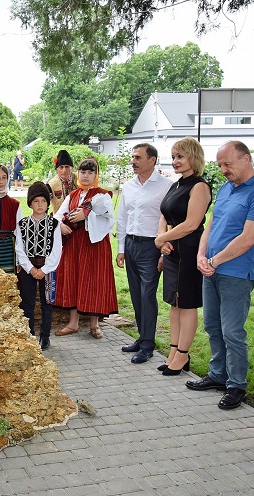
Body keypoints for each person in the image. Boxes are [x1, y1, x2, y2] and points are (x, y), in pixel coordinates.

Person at [187, 141, 254, 409]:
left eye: (228, 164)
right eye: (220, 165)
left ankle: (236, 385)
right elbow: (210, 224)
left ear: (246, 159)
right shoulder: (227, 187)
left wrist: (214, 260)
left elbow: (249, 238)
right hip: (211, 268)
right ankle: (218, 375)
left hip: (236, 272)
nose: (223, 170)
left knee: (232, 331)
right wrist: (201, 256)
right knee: (212, 325)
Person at [153, 138, 212, 370]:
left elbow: (191, 223)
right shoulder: (175, 185)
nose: (175, 161)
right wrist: (162, 240)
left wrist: (163, 238)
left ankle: (184, 354)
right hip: (171, 249)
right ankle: (174, 351)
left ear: (193, 158)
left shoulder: (199, 186)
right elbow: (164, 215)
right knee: (174, 303)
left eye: (180, 156)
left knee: (186, 304)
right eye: (174, 156)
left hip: (189, 249)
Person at [116, 143, 173, 364]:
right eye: (133, 157)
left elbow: (170, 220)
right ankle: (141, 338)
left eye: (138, 157)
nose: (134, 161)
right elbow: (122, 218)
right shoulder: (128, 186)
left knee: (147, 294)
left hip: (152, 246)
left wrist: (163, 252)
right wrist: (121, 249)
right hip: (131, 243)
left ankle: (148, 344)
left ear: (153, 160)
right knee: (135, 294)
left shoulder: (166, 186)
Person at [53, 157, 117, 338]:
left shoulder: (103, 195)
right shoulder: (73, 195)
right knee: (73, 279)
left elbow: (109, 219)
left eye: (90, 172)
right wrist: (61, 226)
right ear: (78, 173)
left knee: (93, 281)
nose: (86, 175)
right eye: (83, 172)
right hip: (74, 244)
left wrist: (86, 216)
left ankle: (94, 325)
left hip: (94, 245)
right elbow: (58, 216)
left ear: (96, 174)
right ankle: (73, 323)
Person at [15, 181, 62, 350]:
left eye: (43, 201)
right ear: (30, 203)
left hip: (47, 268)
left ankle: (45, 336)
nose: (40, 205)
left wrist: (44, 269)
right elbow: (19, 249)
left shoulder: (54, 224)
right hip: (28, 268)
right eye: (36, 201)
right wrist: (31, 269)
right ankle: (30, 335)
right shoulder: (22, 224)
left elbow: (57, 250)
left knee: (46, 303)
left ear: (48, 203)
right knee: (27, 303)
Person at [48, 149, 77, 214]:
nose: (64, 170)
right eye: (61, 167)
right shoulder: (51, 184)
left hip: (78, 219)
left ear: (71, 168)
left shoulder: (79, 179)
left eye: (67, 167)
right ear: (56, 169)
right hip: (59, 221)